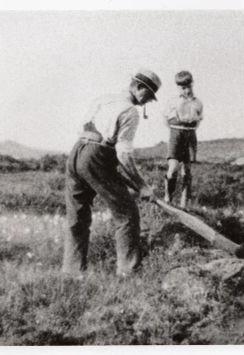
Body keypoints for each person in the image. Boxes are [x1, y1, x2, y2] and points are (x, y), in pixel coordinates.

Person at [62, 69, 161, 277]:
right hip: (97, 155)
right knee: (127, 214)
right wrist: (142, 185)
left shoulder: (103, 99)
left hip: (76, 152)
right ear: (138, 87)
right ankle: (128, 272)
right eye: (149, 95)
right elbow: (124, 155)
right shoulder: (130, 112)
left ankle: (71, 272)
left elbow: (83, 128)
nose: (148, 101)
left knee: (77, 216)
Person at [163, 71, 204, 208]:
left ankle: (184, 202)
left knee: (187, 170)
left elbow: (199, 119)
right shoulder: (173, 101)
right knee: (173, 167)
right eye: (182, 87)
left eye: (188, 86)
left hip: (190, 134)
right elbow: (165, 119)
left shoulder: (198, 102)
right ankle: (168, 197)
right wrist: (176, 130)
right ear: (178, 87)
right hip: (176, 133)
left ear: (192, 84)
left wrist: (190, 130)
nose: (186, 90)